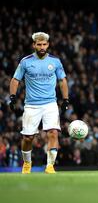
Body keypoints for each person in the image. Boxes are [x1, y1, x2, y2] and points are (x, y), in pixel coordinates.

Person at [9, 32, 69, 174]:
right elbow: (15, 80)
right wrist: (12, 97)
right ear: (34, 45)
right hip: (31, 105)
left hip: (50, 104)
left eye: (44, 44)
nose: (42, 47)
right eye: (39, 44)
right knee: (28, 137)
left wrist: (65, 99)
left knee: (53, 133)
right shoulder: (26, 61)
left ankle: (50, 166)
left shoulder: (55, 61)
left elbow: (62, 81)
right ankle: (27, 163)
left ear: (47, 45)